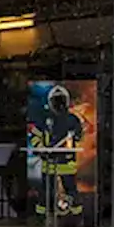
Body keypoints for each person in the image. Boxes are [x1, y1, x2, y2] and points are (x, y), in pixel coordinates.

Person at [29, 84, 84, 219]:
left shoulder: (73, 119)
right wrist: (41, 148)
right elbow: (35, 135)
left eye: (61, 100)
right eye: (56, 100)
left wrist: (75, 135)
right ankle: (43, 217)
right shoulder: (44, 119)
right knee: (46, 192)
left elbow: (78, 136)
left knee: (70, 190)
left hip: (67, 162)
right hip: (49, 162)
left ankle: (75, 216)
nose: (59, 104)